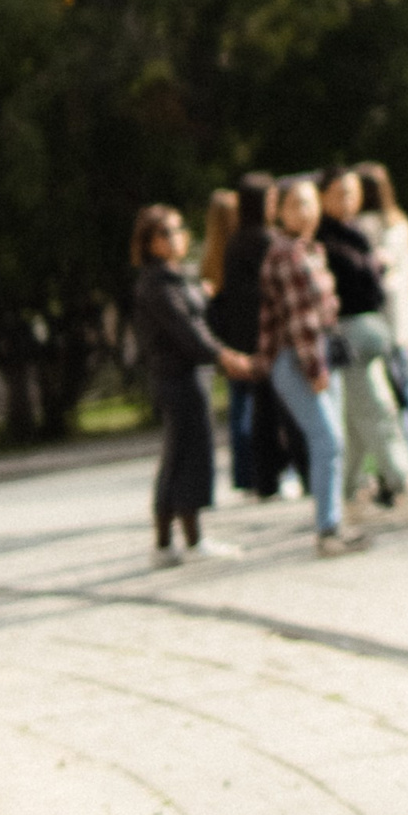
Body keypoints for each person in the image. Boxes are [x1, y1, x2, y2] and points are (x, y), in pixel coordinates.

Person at [131, 204, 255, 566]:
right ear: (149, 242)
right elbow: (186, 331)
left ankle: (177, 540)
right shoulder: (157, 284)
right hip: (178, 378)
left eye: (179, 229)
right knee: (184, 457)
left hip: (190, 376)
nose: (176, 238)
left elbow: (195, 321)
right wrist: (225, 357)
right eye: (165, 233)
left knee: (186, 455)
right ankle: (179, 540)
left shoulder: (175, 277)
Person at [260, 177, 366, 556]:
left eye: (309, 203)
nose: (305, 212)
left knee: (333, 442)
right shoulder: (286, 254)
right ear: (280, 212)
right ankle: (327, 528)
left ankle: (333, 523)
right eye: (296, 205)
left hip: (319, 351)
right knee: (327, 440)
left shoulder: (311, 248)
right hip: (298, 358)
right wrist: (315, 368)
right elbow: (299, 319)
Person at [319, 167, 408, 512]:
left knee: (357, 421)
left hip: (370, 331)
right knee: (377, 410)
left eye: (352, 192)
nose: (347, 200)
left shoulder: (358, 231)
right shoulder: (324, 238)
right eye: (339, 193)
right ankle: (401, 481)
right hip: (346, 335)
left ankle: (348, 490)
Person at [208, 173, 302, 499]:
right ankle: (286, 471)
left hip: (245, 337)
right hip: (265, 337)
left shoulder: (236, 241)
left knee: (257, 410)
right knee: (276, 409)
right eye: (273, 200)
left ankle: (262, 478)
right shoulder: (264, 241)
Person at [357, 161, 408, 475]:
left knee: (397, 392)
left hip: (387, 319)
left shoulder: (369, 226)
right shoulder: (400, 221)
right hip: (407, 319)